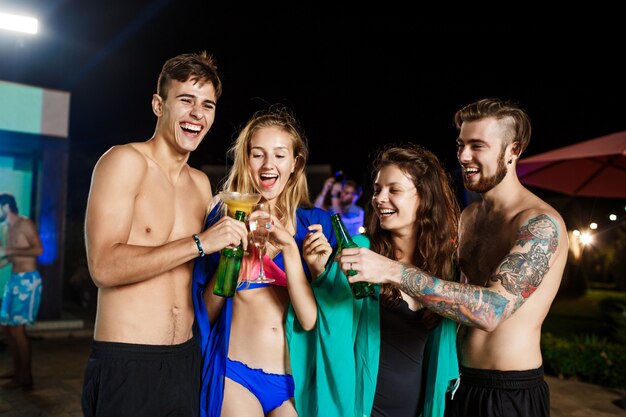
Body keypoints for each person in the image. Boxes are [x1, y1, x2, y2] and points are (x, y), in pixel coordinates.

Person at [341, 98, 568, 417]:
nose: (463, 156)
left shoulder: (541, 225)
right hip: (456, 383)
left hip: (508, 391)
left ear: (513, 150)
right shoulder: (470, 217)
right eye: (461, 144)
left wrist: (394, 271)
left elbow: (491, 310)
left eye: (477, 146)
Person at [81, 51, 249, 417]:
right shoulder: (124, 161)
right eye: (185, 100)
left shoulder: (201, 185)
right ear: (159, 105)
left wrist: (237, 265)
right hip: (128, 360)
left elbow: (191, 283)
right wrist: (201, 242)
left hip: (185, 359)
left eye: (207, 105)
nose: (197, 114)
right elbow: (104, 267)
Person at [287, 144, 461, 417]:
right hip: (364, 408)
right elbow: (327, 323)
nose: (379, 198)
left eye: (394, 190)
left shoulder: (444, 264)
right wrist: (320, 274)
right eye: (378, 189)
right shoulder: (361, 250)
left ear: (425, 197)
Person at [192, 105, 337, 417]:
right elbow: (204, 312)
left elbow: (316, 319)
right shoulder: (224, 217)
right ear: (246, 159)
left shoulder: (316, 226)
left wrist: (300, 255)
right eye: (258, 154)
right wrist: (230, 262)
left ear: (296, 163)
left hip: (290, 383)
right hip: (236, 375)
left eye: (280, 155)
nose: (268, 165)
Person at [0, 193, 43, 390]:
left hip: (28, 281)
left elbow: (38, 250)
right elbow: (9, 258)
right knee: (6, 327)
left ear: (6, 207)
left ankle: (25, 376)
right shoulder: (6, 228)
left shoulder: (25, 224)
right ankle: (16, 370)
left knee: (18, 329)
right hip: (14, 280)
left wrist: (9, 251)